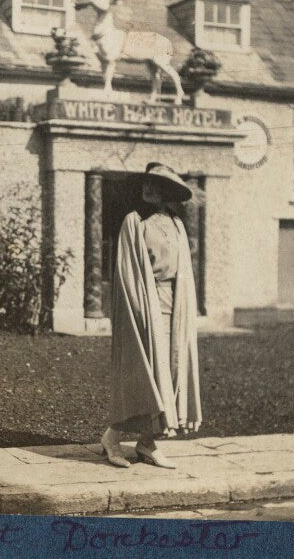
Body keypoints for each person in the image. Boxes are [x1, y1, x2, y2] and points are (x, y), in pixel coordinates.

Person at [100, 162, 202, 469]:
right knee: (144, 374)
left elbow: (183, 272)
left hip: (175, 305)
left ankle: (147, 443)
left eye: (157, 184)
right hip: (146, 302)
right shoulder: (135, 222)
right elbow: (127, 272)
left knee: (170, 372)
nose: (149, 188)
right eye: (147, 182)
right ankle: (112, 438)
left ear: (168, 191)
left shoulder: (177, 225)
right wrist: (140, 308)